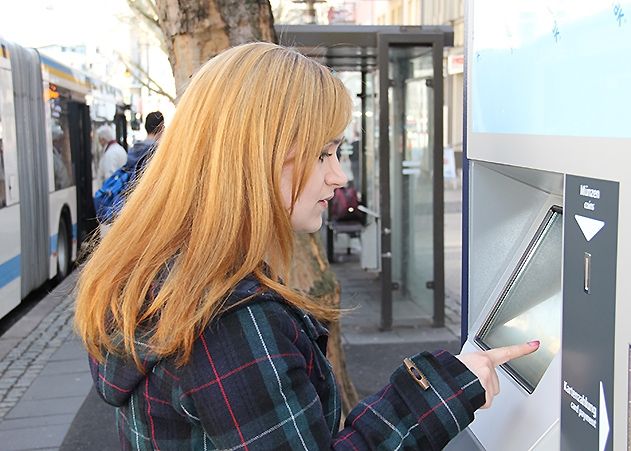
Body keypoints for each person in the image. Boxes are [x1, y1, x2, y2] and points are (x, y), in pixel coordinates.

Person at [74, 42, 539, 450]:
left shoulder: (161, 274)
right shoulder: (228, 323)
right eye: (323, 153)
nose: (338, 176)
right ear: (257, 156)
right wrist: (444, 391)